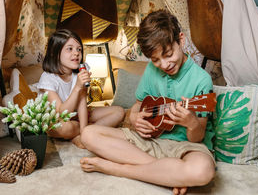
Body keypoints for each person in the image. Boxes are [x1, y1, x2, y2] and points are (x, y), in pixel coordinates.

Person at [80, 10, 215, 195]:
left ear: (181, 40)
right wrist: (134, 117)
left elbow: (197, 137)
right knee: (88, 134)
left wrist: (191, 123)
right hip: (150, 140)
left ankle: (119, 169)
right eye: (155, 60)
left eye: (168, 54)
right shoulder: (152, 70)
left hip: (186, 147)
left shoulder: (202, 80)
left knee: (202, 171)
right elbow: (138, 104)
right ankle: (166, 173)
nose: (164, 64)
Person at [37, 29, 124, 148]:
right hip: (58, 119)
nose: (76, 53)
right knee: (64, 128)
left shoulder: (82, 70)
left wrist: (83, 132)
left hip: (77, 115)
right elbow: (62, 113)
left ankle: (84, 133)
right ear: (55, 52)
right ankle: (91, 130)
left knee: (118, 112)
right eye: (70, 49)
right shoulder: (48, 78)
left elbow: (82, 102)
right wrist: (78, 86)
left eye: (79, 49)